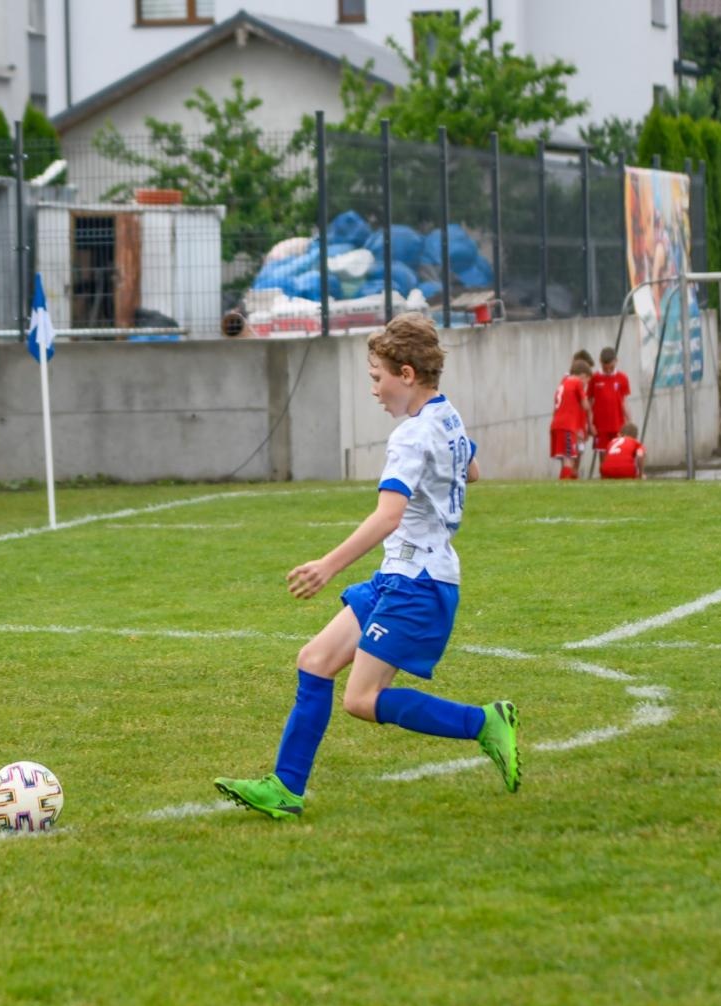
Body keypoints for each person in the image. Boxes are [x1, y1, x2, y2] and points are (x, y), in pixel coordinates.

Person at [213, 313, 519, 821]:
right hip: (403, 575)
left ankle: (484, 722)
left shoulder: (411, 436)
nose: (374, 390)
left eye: (377, 378)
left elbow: (389, 514)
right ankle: (285, 789)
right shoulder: (448, 417)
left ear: (406, 373)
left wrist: (328, 565)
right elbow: (473, 470)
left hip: (416, 584)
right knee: (314, 659)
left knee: (361, 698)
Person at [550, 350, 594, 480]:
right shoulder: (576, 383)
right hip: (568, 426)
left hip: (557, 425)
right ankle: (565, 487)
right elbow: (586, 405)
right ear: (582, 376)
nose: (586, 384)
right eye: (587, 380)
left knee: (567, 457)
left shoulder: (564, 382)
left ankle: (569, 482)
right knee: (569, 458)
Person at [588, 347, 632, 475]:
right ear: (600, 362)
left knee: (618, 454)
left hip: (618, 424)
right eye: (605, 367)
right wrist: (589, 424)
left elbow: (623, 401)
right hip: (600, 426)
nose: (608, 370)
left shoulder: (622, 378)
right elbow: (589, 403)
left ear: (616, 361)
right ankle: (604, 479)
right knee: (603, 455)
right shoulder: (594, 378)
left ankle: (617, 478)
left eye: (611, 367)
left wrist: (629, 421)